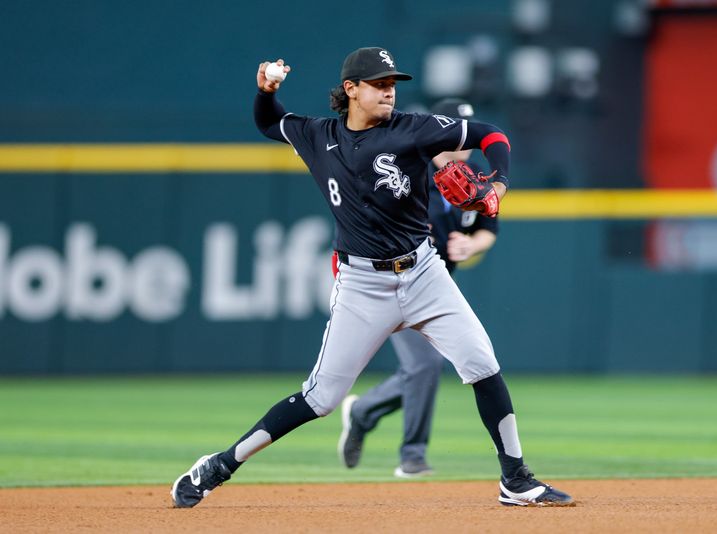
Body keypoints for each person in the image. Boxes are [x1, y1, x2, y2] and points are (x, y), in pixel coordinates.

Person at [171, 47, 573, 508]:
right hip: (362, 286)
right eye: (379, 84)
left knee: (482, 364)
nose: (389, 91)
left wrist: (498, 184)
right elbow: (268, 122)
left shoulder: (416, 129)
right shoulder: (316, 135)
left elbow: (491, 135)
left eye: (393, 83)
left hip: (423, 273)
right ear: (351, 90)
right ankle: (219, 465)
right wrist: (265, 91)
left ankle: (516, 479)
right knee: (320, 398)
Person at [337, 98, 500, 478]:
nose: (463, 146)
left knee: (428, 368)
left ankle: (363, 411)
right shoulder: (407, 169)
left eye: (466, 137)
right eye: (455, 136)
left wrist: (471, 244)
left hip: (436, 287)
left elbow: (488, 230)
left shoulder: (472, 176)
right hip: (391, 283)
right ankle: (412, 455)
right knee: (425, 364)